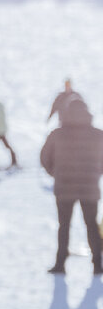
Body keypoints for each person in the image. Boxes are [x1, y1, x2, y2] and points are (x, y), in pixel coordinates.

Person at [39, 97, 103, 274]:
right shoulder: (98, 135)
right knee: (91, 225)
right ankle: (98, 264)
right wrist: (94, 174)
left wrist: (56, 173)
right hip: (90, 189)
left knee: (64, 226)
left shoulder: (57, 134)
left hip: (64, 188)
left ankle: (60, 264)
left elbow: (44, 157)